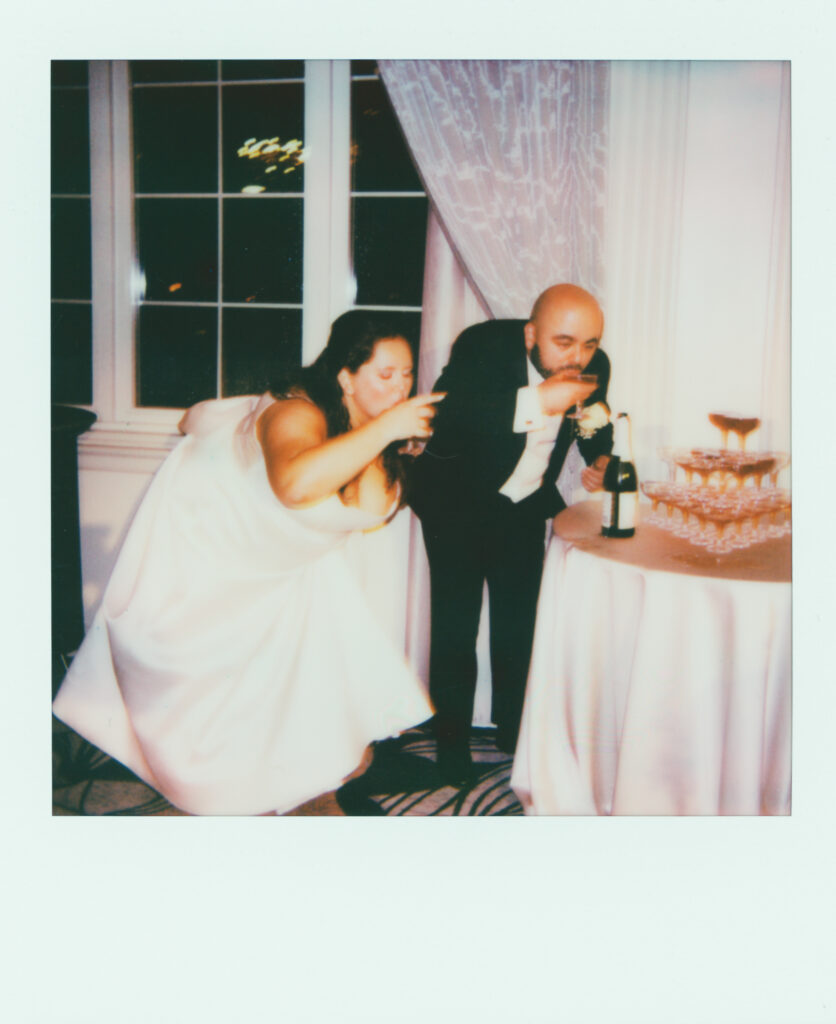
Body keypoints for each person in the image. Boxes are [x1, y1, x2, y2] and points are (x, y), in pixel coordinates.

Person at [52, 311, 444, 815]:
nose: (401, 388)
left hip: (284, 571)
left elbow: (370, 508)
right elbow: (296, 485)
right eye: (385, 375)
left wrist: (383, 433)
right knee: (217, 723)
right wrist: (387, 426)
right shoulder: (296, 413)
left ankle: (307, 790)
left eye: (407, 374)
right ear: (345, 376)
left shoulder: (367, 423)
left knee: (308, 687)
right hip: (220, 566)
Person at [408, 283, 614, 783]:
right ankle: (452, 747)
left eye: (589, 344)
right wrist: (536, 399)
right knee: (457, 629)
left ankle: (512, 731)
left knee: (518, 624)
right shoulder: (481, 346)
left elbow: (593, 425)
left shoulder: (594, 366)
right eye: (564, 342)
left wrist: (601, 459)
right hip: (456, 500)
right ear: (530, 334)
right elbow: (448, 417)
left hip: (522, 503)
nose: (579, 357)